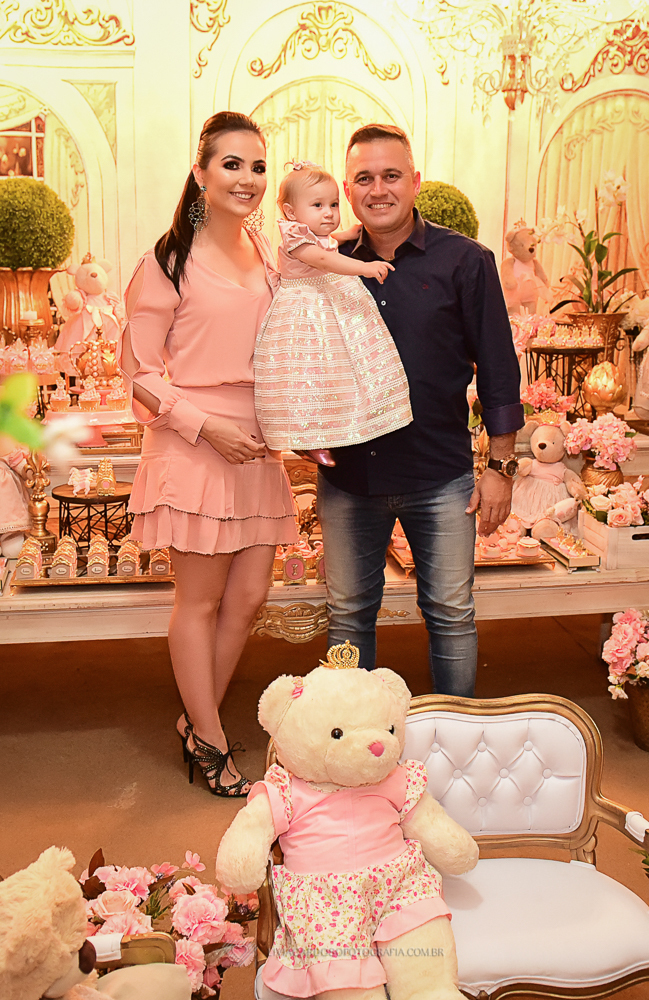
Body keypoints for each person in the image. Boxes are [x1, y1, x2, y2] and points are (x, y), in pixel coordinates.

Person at [119, 112, 298, 795]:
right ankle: (212, 742)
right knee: (199, 602)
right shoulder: (166, 261)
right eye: (231, 164)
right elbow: (138, 372)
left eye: (258, 166)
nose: (247, 178)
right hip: (194, 442)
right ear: (200, 174)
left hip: (257, 444)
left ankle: (197, 724)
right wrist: (205, 426)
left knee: (248, 598)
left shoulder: (268, 254)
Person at [317, 124, 524, 697]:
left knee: (451, 613)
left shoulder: (465, 261)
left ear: (414, 181)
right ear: (347, 189)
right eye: (364, 178)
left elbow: (499, 368)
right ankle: (349, 735)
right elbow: (300, 352)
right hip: (349, 478)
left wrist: (501, 468)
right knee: (347, 614)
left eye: (391, 175)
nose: (378, 189)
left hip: (441, 478)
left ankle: (457, 736)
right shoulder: (325, 264)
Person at [253, 161, 412, 467]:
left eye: (334, 204)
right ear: (290, 212)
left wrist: (346, 233)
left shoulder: (312, 234)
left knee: (343, 370)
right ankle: (307, 438)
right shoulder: (294, 237)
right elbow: (325, 260)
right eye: (318, 205)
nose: (328, 212)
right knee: (310, 375)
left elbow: (327, 243)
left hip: (326, 303)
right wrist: (364, 268)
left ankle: (360, 420)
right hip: (306, 311)